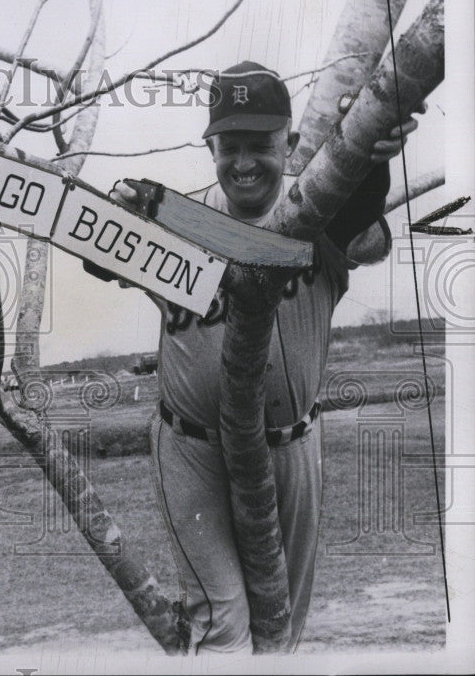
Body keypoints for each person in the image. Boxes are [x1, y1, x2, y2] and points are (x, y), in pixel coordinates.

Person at [86, 61, 421, 653]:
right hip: (193, 447)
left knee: (283, 627)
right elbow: (99, 254)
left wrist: (373, 153)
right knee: (223, 625)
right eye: (229, 146)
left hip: (291, 443)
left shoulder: (317, 215)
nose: (243, 162)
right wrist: (114, 219)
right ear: (211, 148)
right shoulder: (175, 219)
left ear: (289, 144)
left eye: (260, 145)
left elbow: (359, 216)